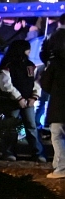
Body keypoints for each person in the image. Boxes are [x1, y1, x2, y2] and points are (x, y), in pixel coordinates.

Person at [0, 39, 43, 159]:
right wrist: (19, 98)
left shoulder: (30, 65)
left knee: (31, 127)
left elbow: (35, 82)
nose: (29, 51)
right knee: (11, 127)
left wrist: (33, 97)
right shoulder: (8, 66)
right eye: (28, 49)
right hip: (12, 102)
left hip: (28, 101)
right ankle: (9, 152)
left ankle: (37, 153)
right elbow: (6, 84)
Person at [39, 30, 65, 179]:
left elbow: (45, 84)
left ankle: (61, 168)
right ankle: (57, 164)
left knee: (57, 136)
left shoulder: (55, 63)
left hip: (59, 106)